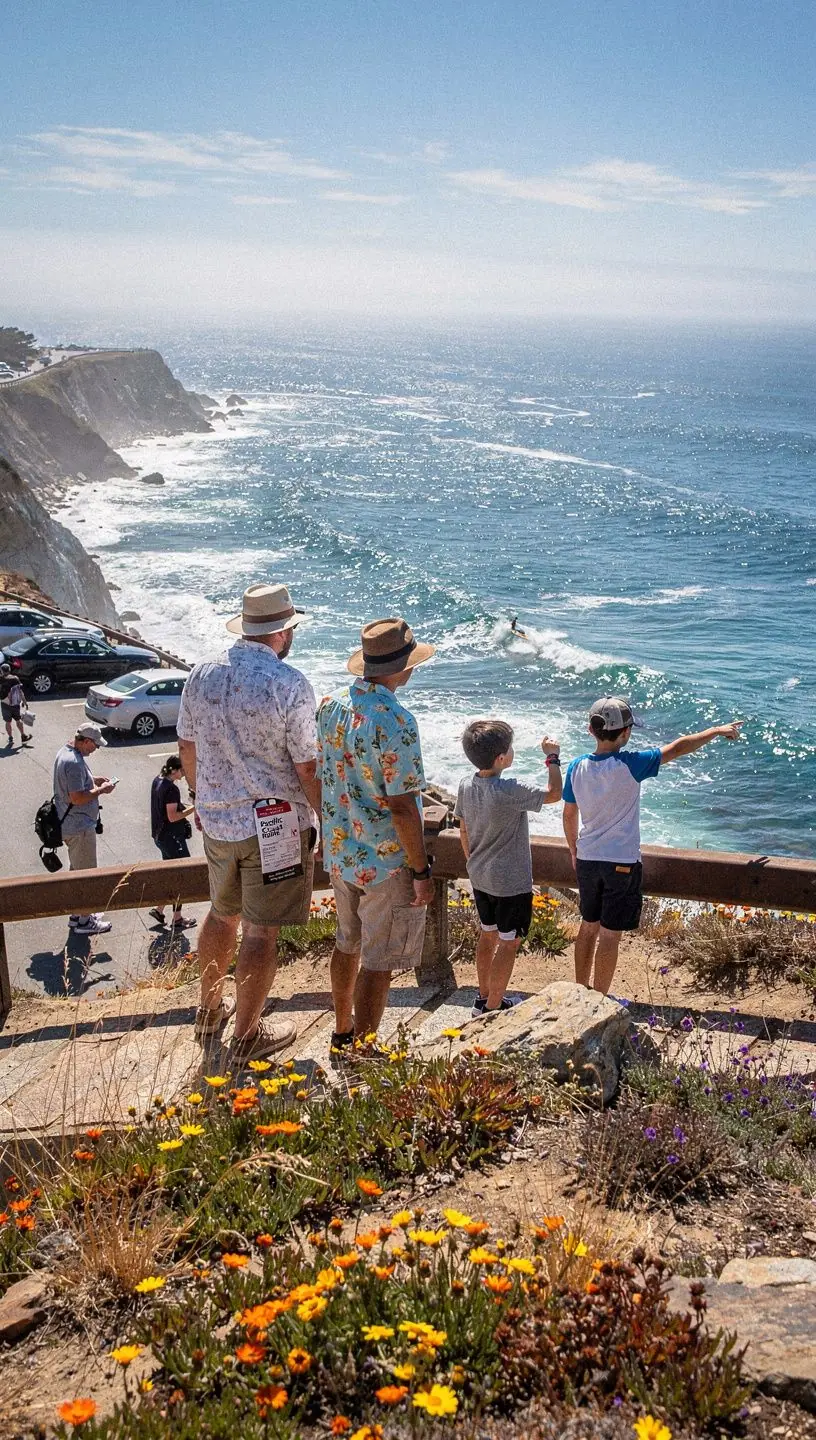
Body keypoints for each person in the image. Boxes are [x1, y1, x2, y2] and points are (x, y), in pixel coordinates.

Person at [177, 582, 320, 1059]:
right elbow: (307, 767)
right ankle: (246, 1037)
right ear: (283, 632)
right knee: (260, 931)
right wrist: (326, 816)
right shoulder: (289, 684)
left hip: (218, 821)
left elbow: (187, 747)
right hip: (273, 825)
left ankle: (208, 1012)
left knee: (221, 914)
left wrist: (201, 797)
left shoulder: (201, 674)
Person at [562, 696, 742, 996]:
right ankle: (600, 1001)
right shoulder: (632, 764)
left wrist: (573, 850)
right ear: (625, 733)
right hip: (620, 863)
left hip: (587, 859)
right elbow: (680, 746)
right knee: (609, 933)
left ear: (591, 731)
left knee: (588, 925)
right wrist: (715, 730)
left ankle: (580, 993)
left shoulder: (576, 767)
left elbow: (569, 814)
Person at [317, 617, 436, 1047]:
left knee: (346, 943)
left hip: (340, 850)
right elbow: (404, 807)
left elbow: (324, 774)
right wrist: (421, 873)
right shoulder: (397, 722)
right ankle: (363, 1052)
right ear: (403, 667)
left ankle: (342, 1031)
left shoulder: (330, 707)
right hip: (385, 861)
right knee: (379, 959)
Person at [455, 719, 562, 1015]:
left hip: (480, 877)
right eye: (510, 748)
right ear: (502, 758)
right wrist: (552, 757)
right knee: (509, 941)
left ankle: (483, 997)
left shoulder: (466, 785)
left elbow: (463, 829)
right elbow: (554, 793)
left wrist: (472, 863)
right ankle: (492, 1007)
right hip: (510, 883)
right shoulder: (509, 789)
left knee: (487, 934)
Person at [52, 722, 116, 936]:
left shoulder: (66, 752)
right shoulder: (74, 762)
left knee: (77, 872)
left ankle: (78, 913)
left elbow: (75, 785)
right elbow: (77, 797)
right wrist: (101, 789)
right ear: (86, 741)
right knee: (86, 875)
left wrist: (92, 780)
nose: (96, 749)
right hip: (79, 827)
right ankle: (84, 922)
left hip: (70, 824)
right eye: (95, 745)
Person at [148, 755, 197, 931]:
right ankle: (177, 919)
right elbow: (172, 816)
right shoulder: (172, 789)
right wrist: (193, 808)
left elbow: (164, 808)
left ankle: (159, 909)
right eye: (182, 771)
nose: (184, 774)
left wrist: (181, 806)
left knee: (170, 874)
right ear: (175, 770)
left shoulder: (157, 781)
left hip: (160, 836)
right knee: (181, 876)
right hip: (172, 838)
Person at [1, 662, 31, 747]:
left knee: (8, 722)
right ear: (9, 670)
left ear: (2, 671)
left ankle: (10, 737)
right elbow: (20, 692)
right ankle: (23, 735)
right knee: (18, 720)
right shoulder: (15, 679)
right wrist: (25, 702)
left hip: (4, 704)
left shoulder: (1, 679)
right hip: (15, 704)